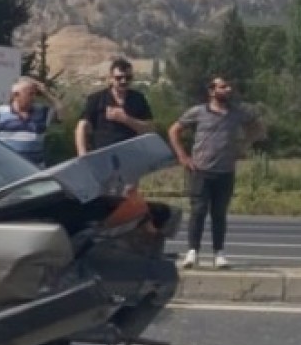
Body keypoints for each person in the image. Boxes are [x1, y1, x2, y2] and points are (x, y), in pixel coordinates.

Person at [168, 76, 265, 270]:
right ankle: (193, 252)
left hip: (225, 171)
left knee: (219, 213)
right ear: (212, 91)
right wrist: (182, 156)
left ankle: (219, 252)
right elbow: (174, 130)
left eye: (229, 87)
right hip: (200, 170)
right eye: (223, 86)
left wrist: (244, 144)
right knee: (198, 211)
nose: (228, 90)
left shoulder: (237, 113)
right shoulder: (198, 112)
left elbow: (257, 128)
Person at [75, 58, 155, 154]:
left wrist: (125, 119)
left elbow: (150, 129)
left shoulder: (138, 98)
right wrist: (83, 155)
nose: (123, 81)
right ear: (111, 78)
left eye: (128, 78)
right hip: (103, 155)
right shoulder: (96, 99)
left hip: (132, 153)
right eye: (119, 78)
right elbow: (81, 126)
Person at [0, 77, 62, 167]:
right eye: (30, 94)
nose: (33, 98)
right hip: (7, 169)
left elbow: (61, 110)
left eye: (34, 94)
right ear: (16, 95)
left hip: (35, 169)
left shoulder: (42, 112)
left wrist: (45, 92)